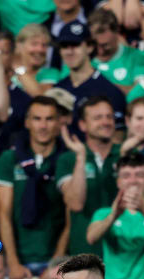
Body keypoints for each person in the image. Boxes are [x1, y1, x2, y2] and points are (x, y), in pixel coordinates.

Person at [0, 96, 68, 279]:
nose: (43, 126)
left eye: (49, 119)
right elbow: (3, 213)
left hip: (58, 260)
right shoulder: (9, 159)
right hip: (19, 260)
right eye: (37, 119)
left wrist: (57, 264)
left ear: (59, 123)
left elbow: (71, 216)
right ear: (27, 122)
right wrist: (12, 263)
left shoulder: (68, 160)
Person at [57, 96, 121, 257]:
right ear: (82, 125)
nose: (106, 122)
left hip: (123, 256)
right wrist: (81, 157)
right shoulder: (68, 159)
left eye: (109, 116)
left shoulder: (126, 155)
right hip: (84, 254)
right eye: (98, 118)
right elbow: (75, 204)